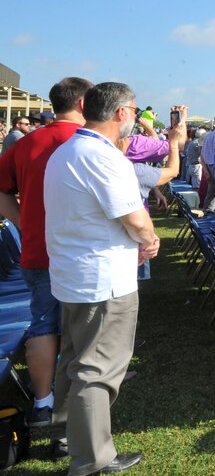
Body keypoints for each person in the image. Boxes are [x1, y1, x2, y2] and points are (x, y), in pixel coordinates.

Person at [44, 82, 159, 475]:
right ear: (122, 113)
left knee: (74, 360)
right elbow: (133, 218)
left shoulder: (67, 151)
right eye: (135, 109)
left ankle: (65, 433)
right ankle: (92, 458)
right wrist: (150, 239)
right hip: (102, 280)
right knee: (98, 370)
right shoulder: (102, 157)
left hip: (74, 274)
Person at [0, 77, 93, 437]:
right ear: (84, 104)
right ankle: (77, 403)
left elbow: (2, 191)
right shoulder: (88, 142)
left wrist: (25, 223)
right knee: (82, 326)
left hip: (38, 248)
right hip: (80, 251)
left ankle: (42, 401)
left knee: (43, 320)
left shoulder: (27, 143)